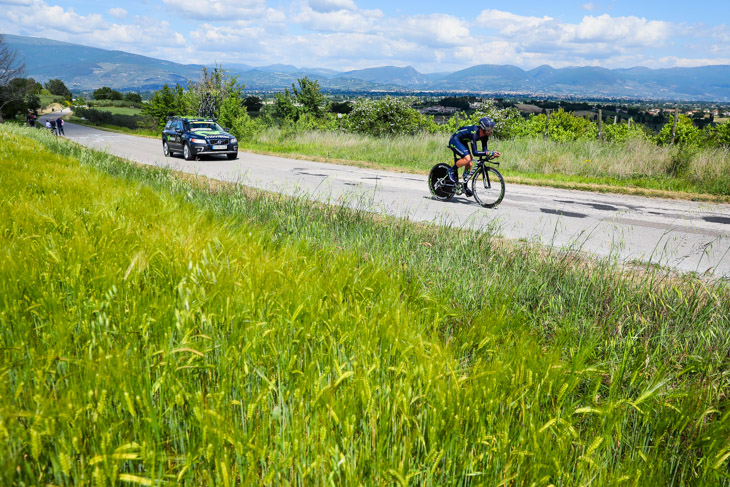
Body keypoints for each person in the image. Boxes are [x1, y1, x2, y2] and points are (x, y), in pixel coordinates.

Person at [447, 117, 501, 196]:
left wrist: (491, 154)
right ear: (483, 128)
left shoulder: (485, 135)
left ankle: (464, 186)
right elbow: (475, 152)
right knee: (468, 159)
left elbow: (485, 150)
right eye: (489, 129)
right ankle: (451, 170)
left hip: (463, 141)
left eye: (492, 129)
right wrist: (489, 153)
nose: (491, 131)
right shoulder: (474, 133)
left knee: (470, 164)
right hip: (455, 140)